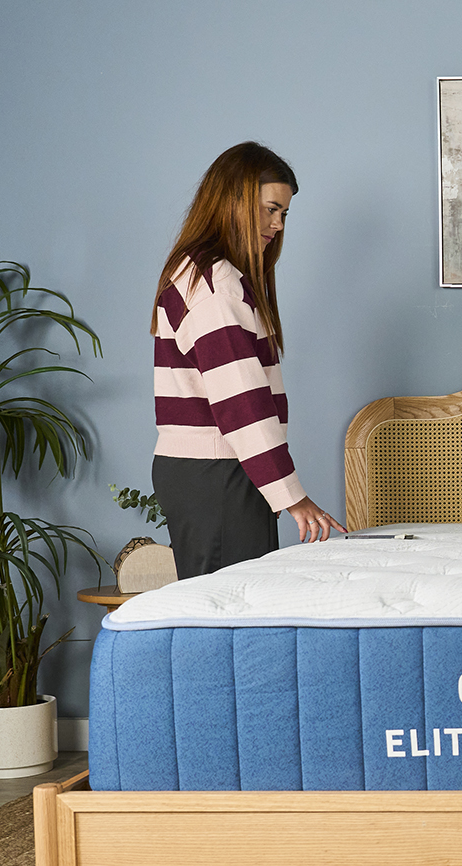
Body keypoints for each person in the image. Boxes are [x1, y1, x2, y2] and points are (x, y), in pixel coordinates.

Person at [150, 141, 342, 579]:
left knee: (228, 613)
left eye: (284, 214)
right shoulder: (215, 281)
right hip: (217, 472)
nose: (277, 224)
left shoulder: (202, 272)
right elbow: (240, 400)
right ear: (234, 200)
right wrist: (292, 495)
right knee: (231, 616)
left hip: (216, 471)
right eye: (270, 209)